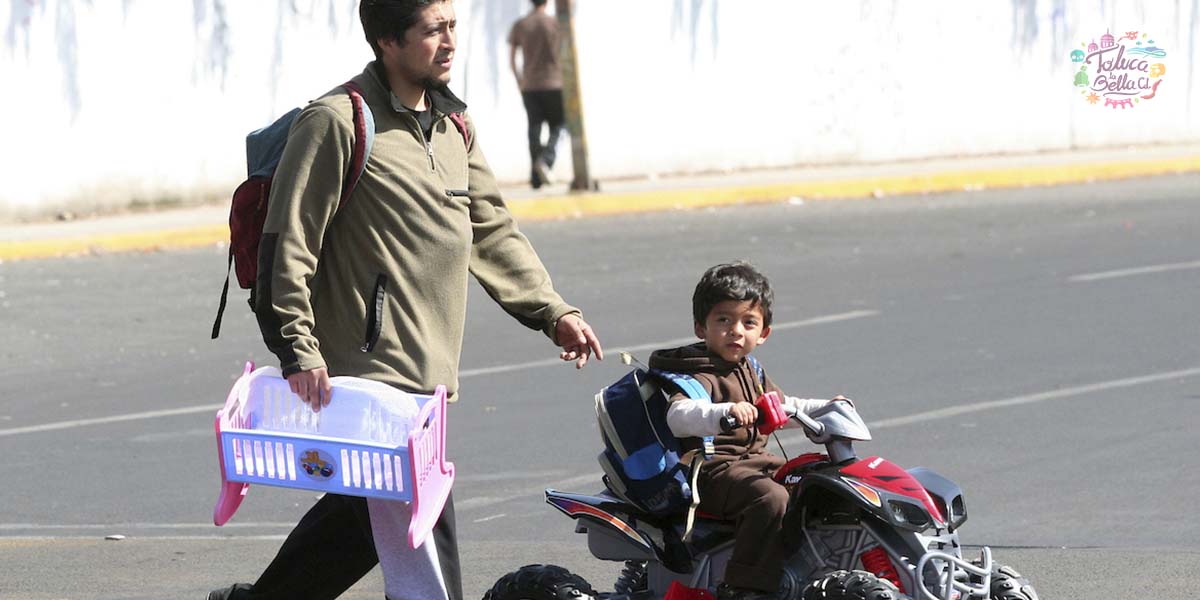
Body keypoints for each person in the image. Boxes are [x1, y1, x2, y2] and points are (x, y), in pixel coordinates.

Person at [208, 1, 603, 599]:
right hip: (370, 366)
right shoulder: (339, 121)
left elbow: (491, 229)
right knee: (419, 501)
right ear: (389, 42)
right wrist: (298, 348)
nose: (449, 42)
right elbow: (288, 242)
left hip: (429, 365)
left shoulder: (454, 126)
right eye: (432, 31)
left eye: (452, 28)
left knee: (366, 511)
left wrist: (553, 311)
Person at [647, 262, 846, 600]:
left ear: (763, 332)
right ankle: (746, 586)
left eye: (748, 322)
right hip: (713, 470)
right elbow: (679, 416)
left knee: (815, 481)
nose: (736, 330)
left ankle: (804, 569)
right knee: (770, 498)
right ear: (701, 327)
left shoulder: (750, 369)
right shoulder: (697, 374)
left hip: (755, 462)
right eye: (723, 320)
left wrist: (829, 407)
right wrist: (724, 414)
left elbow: (785, 406)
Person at [507, 0, 564, 189]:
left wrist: (519, 80)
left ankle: (535, 177)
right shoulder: (555, 23)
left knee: (534, 128)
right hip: (555, 82)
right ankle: (546, 161)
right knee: (558, 125)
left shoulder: (521, 25)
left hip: (530, 85)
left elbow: (512, 57)